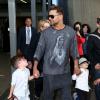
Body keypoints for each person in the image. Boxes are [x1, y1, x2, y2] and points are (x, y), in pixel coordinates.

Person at [33, 5, 80, 100]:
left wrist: (76, 66)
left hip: (65, 72)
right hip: (48, 73)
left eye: (52, 16)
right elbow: (39, 51)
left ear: (60, 16)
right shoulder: (45, 33)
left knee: (67, 97)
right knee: (47, 97)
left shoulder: (71, 32)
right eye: (49, 16)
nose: (50, 18)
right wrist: (35, 68)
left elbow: (74, 51)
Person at [17, 17, 38, 100]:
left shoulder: (34, 30)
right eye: (27, 21)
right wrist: (18, 48)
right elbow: (19, 39)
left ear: (31, 22)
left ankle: (31, 75)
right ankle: (25, 76)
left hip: (32, 47)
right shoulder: (22, 30)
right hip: (24, 47)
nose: (29, 22)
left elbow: (36, 39)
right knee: (24, 62)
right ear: (25, 22)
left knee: (31, 61)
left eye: (30, 21)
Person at [34, 19, 50, 100]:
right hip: (40, 64)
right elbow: (32, 49)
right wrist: (30, 61)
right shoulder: (36, 36)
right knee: (39, 82)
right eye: (46, 27)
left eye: (49, 27)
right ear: (41, 28)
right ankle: (37, 94)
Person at [87, 17, 100, 100]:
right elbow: (89, 53)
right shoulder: (92, 36)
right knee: (98, 86)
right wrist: (95, 64)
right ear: (97, 24)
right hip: (98, 65)